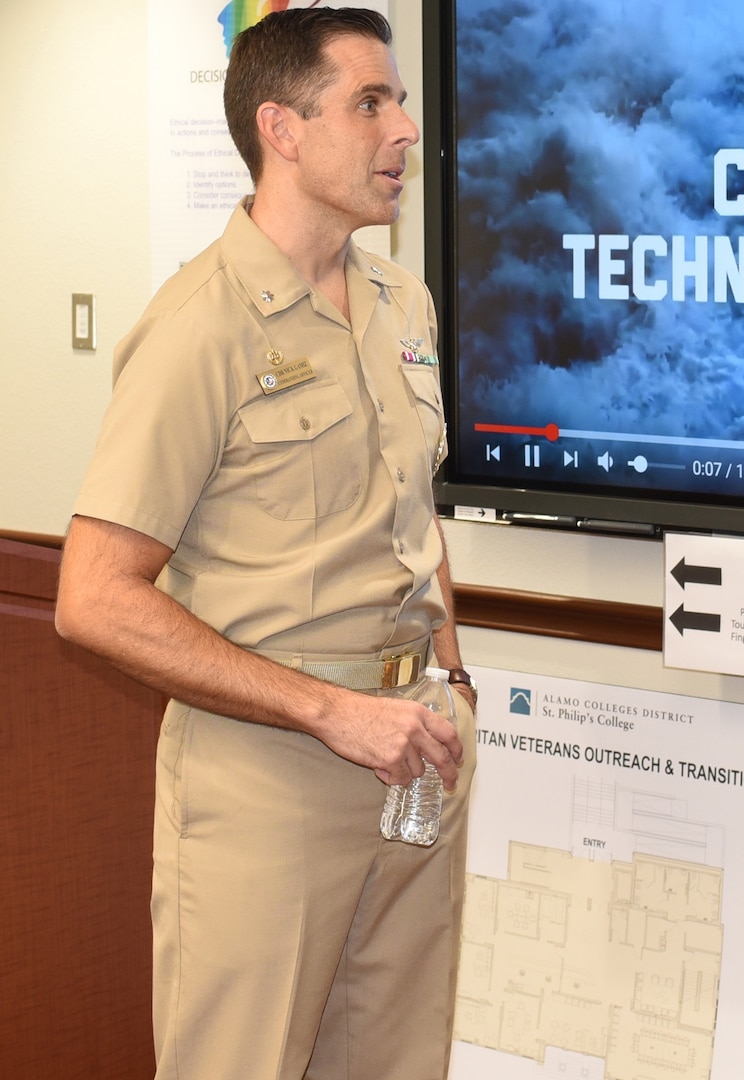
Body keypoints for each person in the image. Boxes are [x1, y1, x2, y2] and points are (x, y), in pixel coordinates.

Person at [54, 9, 476, 1079]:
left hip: (412, 757)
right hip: (267, 782)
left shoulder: (401, 300)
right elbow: (94, 597)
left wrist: (452, 678)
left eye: (401, 100)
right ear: (281, 130)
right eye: (370, 103)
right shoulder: (201, 324)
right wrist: (333, 711)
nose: (405, 131)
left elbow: (411, 507)